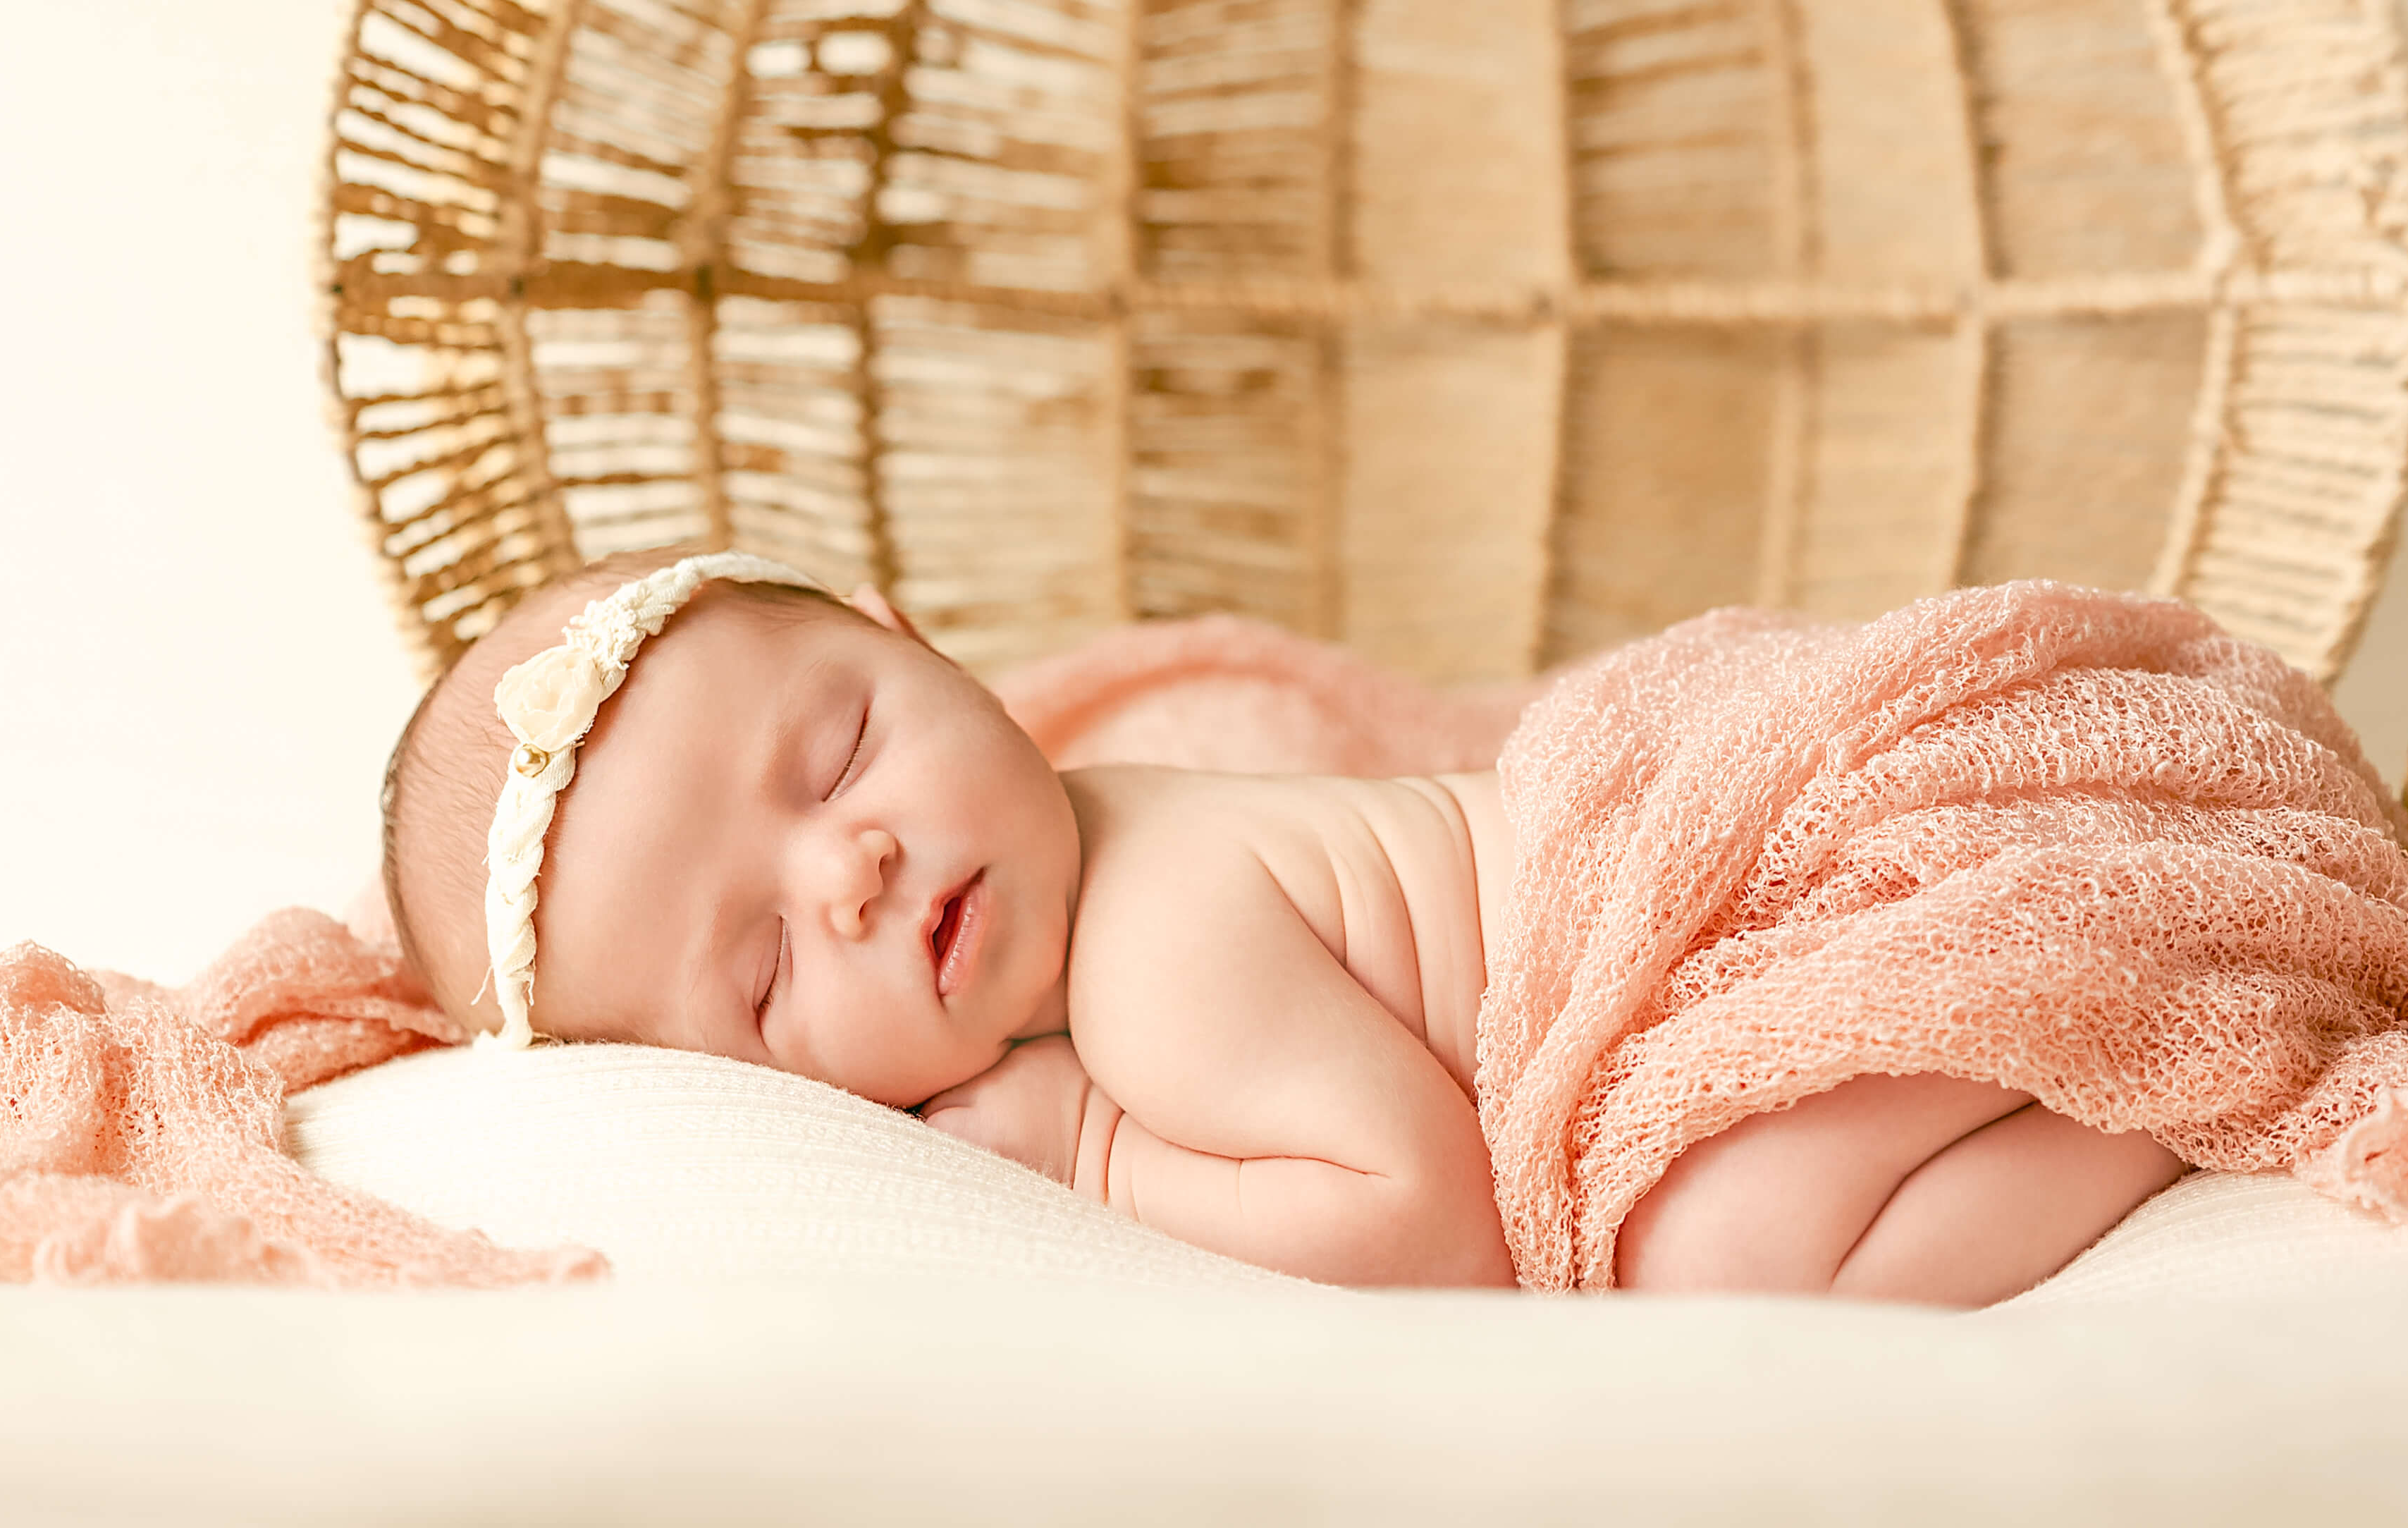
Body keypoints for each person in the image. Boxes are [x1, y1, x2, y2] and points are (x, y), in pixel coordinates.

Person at [379, 547, 2186, 1302]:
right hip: (1754, 917)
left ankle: (2146, 1100)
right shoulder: (1101, 836)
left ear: (918, 637)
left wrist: (1092, 1154)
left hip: (1782, 917)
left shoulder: (1151, 950)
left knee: (1723, 1254)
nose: (845, 864)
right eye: (765, 972)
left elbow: (1430, 1216)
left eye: (840, 744)